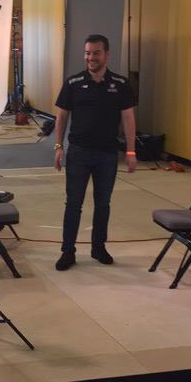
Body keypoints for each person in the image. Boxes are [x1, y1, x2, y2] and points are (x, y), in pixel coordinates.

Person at [53, 34, 137, 270]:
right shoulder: (73, 83)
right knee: (73, 204)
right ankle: (67, 251)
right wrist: (58, 147)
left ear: (106, 54)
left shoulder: (120, 85)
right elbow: (61, 117)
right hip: (78, 152)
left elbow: (128, 118)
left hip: (107, 155)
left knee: (103, 204)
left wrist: (131, 151)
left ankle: (98, 248)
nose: (91, 57)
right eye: (87, 53)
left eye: (96, 53)